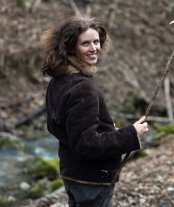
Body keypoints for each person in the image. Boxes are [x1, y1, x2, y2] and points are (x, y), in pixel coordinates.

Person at [41, 16, 148, 207]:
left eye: (96, 41)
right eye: (86, 43)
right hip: (91, 179)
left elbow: (55, 126)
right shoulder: (82, 87)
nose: (94, 48)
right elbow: (86, 143)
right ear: (71, 47)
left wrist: (105, 130)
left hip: (73, 173)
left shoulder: (59, 79)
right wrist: (130, 134)